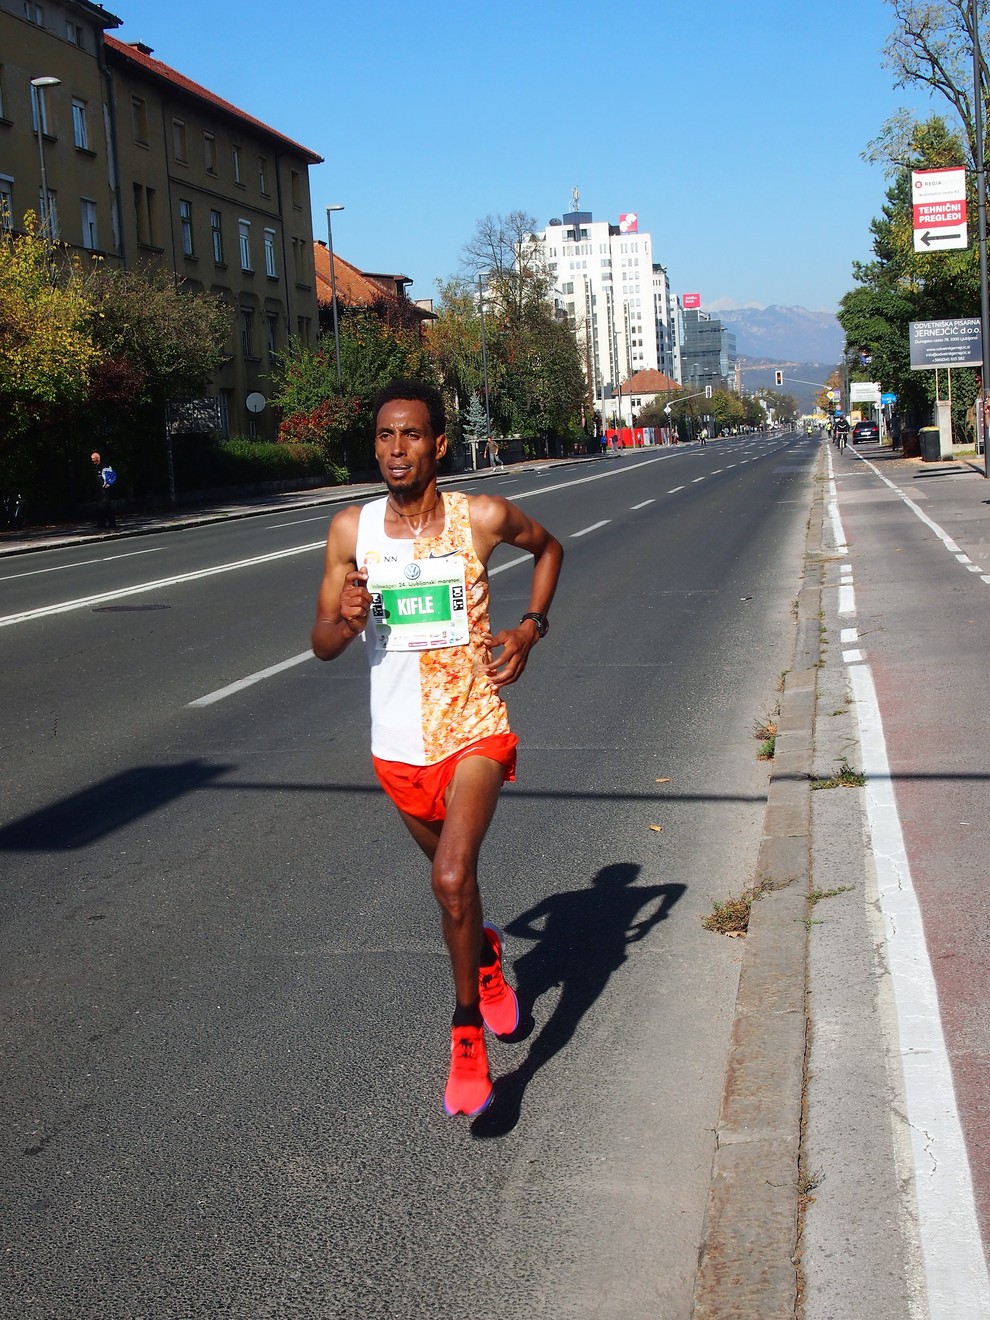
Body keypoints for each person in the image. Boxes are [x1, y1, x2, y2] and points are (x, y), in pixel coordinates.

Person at [311, 379, 563, 1117]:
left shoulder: (480, 517)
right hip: (396, 746)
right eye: (386, 436)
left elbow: (549, 549)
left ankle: (465, 1039)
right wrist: (347, 618)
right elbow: (322, 643)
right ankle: (485, 959)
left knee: (452, 879)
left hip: (474, 725)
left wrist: (528, 629)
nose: (396, 450)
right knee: (460, 897)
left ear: (439, 444)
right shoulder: (350, 532)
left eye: (412, 435)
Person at [91, 451, 117, 529]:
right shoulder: (96, 467)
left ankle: (107, 524)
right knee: (103, 507)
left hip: (104, 490)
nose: (92, 460)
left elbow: (113, 475)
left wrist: (109, 484)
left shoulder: (104, 466)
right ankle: (105, 523)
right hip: (99, 490)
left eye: (93, 459)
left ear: (97, 458)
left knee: (104, 507)